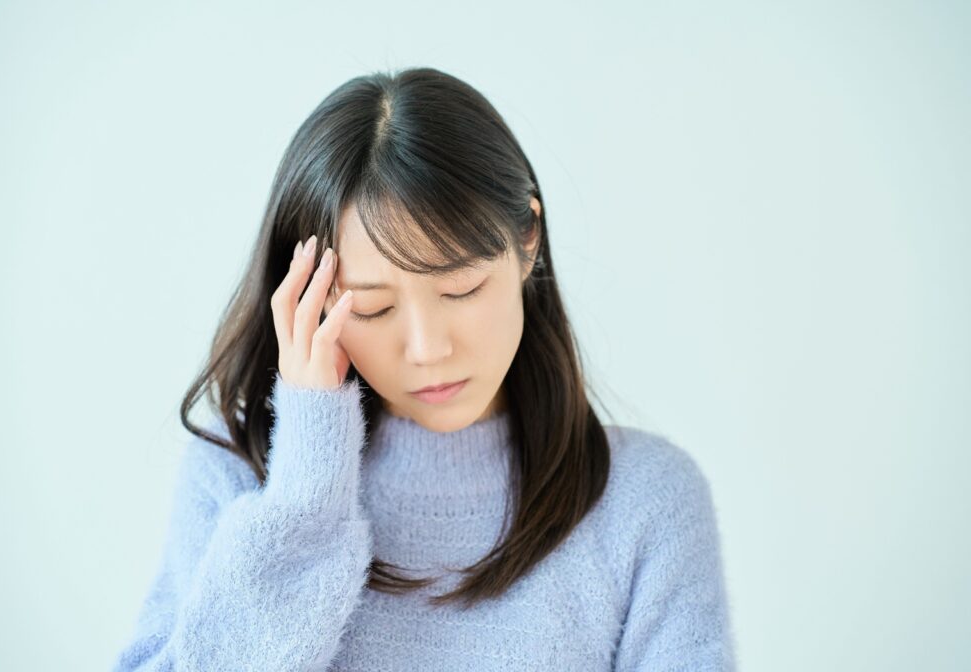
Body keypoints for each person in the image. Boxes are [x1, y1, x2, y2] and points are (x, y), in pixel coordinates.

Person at [111, 67, 737, 671]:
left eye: (460, 289)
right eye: (374, 307)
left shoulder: (646, 501)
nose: (427, 348)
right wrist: (306, 490)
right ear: (309, 300)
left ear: (528, 243)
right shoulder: (237, 476)